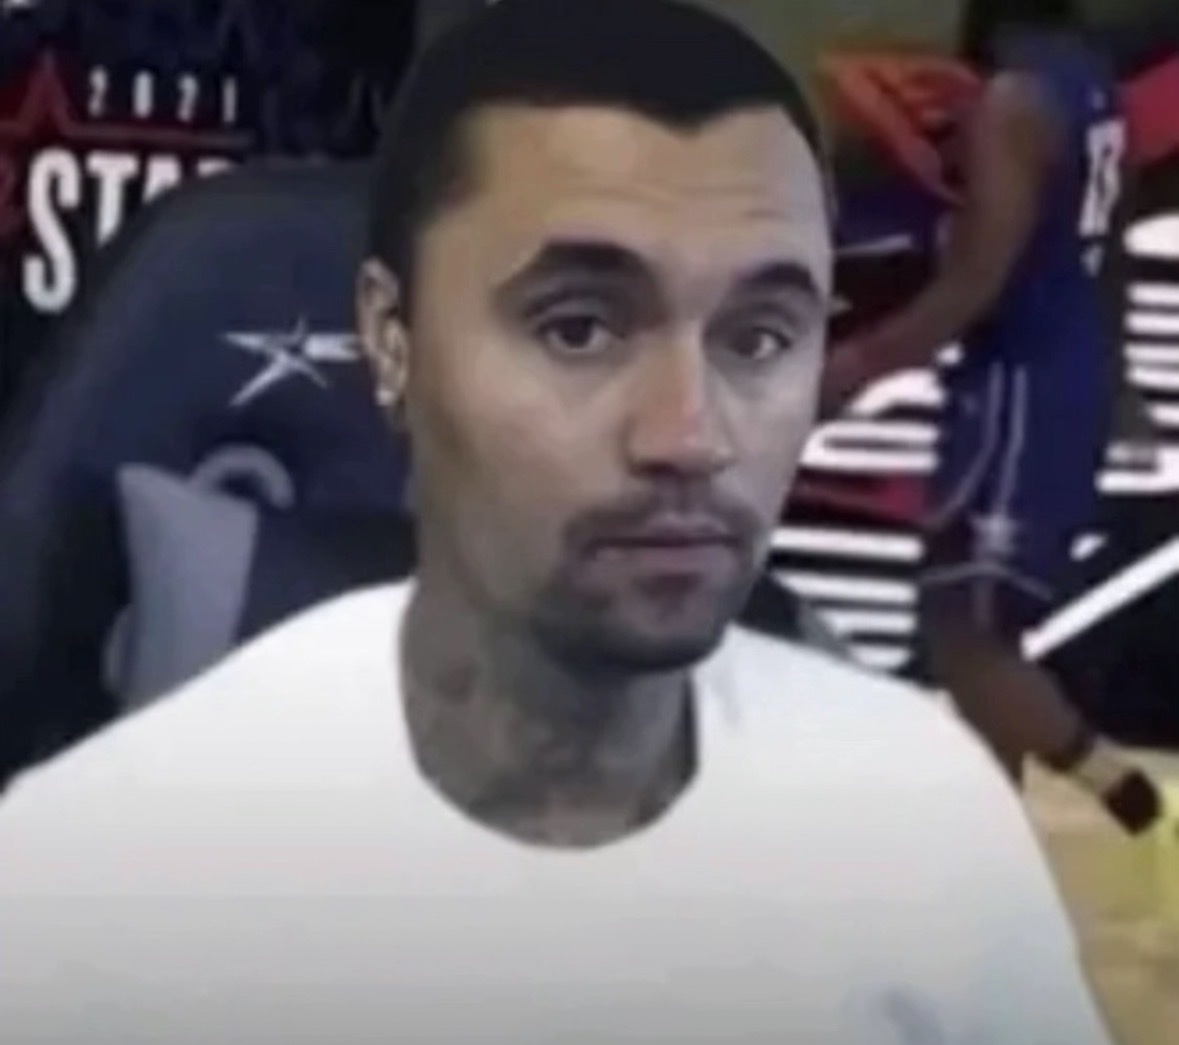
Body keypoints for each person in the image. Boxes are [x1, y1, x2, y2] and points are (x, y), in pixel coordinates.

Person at [0, 2, 1113, 1042]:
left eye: (758, 337)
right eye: (580, 329)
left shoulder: (927, 834)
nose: (689, 433)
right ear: (394, 342)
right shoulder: (96, 870)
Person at [823, 0, 1164, 835]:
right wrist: (1119, 377)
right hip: (1064, 371)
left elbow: (976, 280)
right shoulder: (1094, 87)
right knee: (967, 628)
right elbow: (1106, 249)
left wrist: (860, 363)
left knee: (968, 642)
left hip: (1017, 383)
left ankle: (1122, 801)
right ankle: (1011, 832)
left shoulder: (1014, 102)